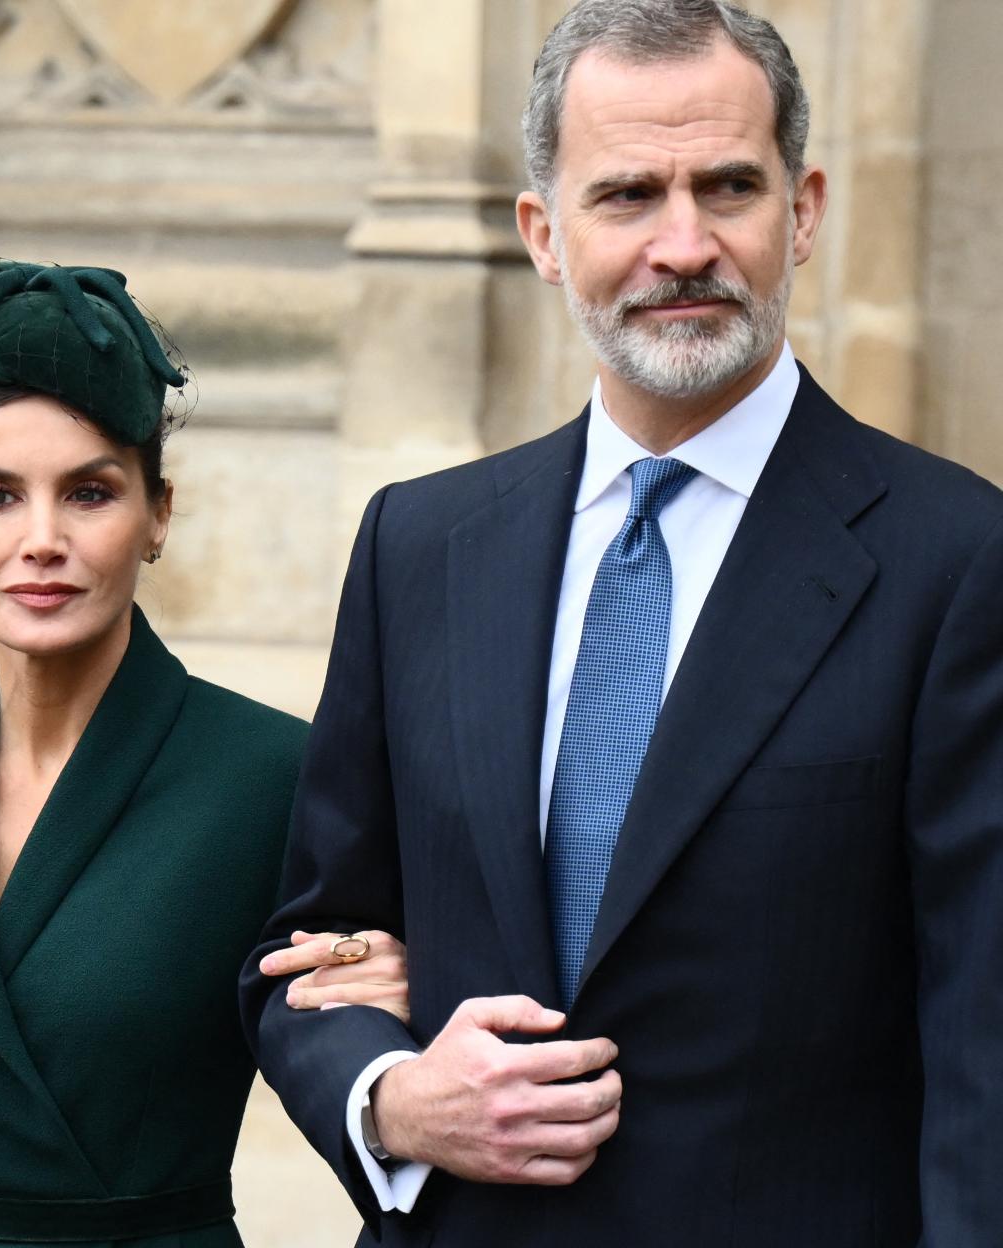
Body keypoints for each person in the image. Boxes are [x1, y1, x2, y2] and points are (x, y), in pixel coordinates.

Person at [241, 2, 1003, 1245]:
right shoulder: (420, 549)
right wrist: (393, 1100)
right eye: (628, 195)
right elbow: (305, 959)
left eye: (730, 188)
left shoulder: (956, 562)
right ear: (545, 233)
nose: (684, 243)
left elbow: (987, 1052)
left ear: (803, 210)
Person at [0, 259, 408, 1248]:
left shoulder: (275, 777)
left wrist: (400, 989)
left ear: (157, 515)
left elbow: (363, 1062)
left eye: (88, 493)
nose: (42, 539)